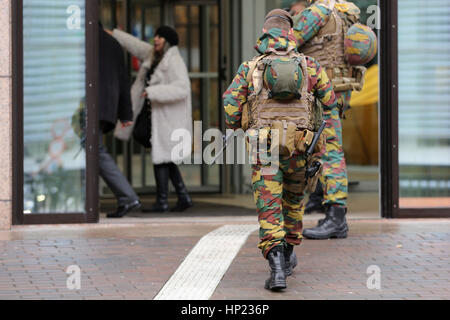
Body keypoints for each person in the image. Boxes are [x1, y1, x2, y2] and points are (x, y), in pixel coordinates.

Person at [223, 9, 339, 290]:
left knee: (270, 207)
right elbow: (330, 100)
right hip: (301, 148)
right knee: (293, 202)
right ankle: (288, 255)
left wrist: (246, 123)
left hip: (265, 150)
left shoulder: (251, 67)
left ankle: (276, 267)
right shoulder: (309, 65)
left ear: (265, 33)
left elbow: (229, 109)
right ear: (290, 32)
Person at [286, 0, 366, 239]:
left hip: (323, 92)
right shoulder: (344, 12)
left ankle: (336, 217)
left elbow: (288, 42)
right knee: (323, 150)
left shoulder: (318, 12)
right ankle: (324, 203)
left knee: (329, 152)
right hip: (338, 90)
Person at [107, 26, 193, 213]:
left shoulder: (174, 60)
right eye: (155, 36)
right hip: (155, 115)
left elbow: (182, 88)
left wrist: (153, 92)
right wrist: (114, 34)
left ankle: (163, 201)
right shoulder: (153, 55)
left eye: (160, 37)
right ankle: (182, 196)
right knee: (163, 157)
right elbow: (135, 45)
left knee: (161, 157)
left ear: (168, 41)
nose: (156, 39)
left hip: (168, 117)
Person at [98, 23, 141, 218]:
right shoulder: (113, 43)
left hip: (90, 105)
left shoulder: (86, 41)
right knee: (90, 151)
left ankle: (127, 196)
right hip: (107, 106)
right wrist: (125, 114)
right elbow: (124, 80)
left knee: (93, 150)